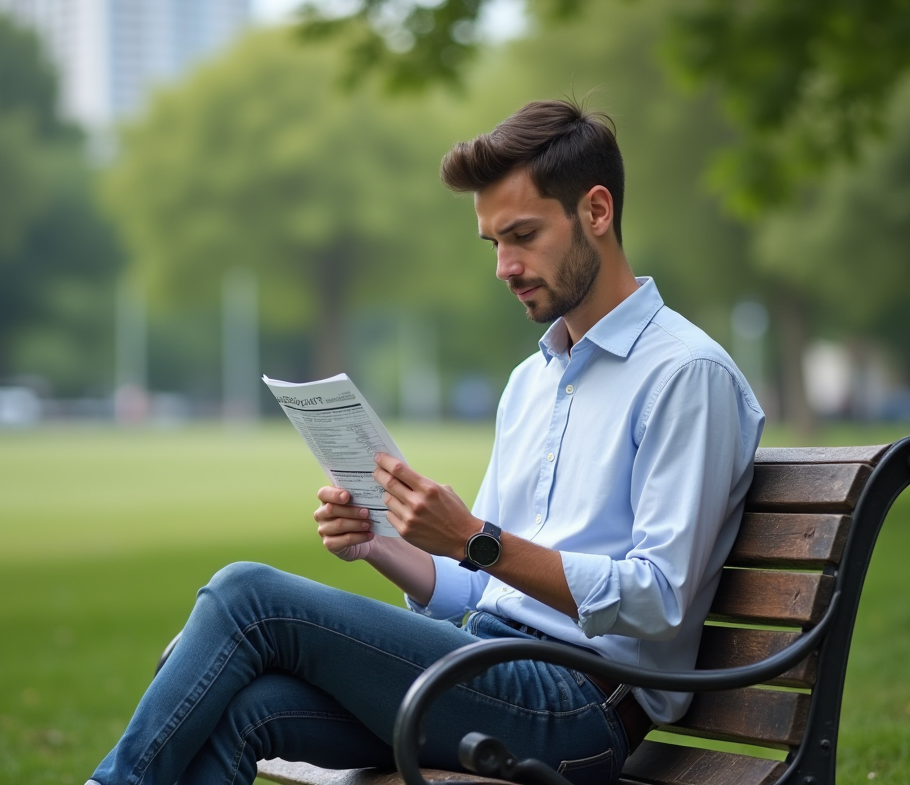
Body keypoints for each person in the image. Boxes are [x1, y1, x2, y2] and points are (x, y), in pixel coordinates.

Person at [86, 99, 764, 785]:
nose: (505, 266)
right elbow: (480, 585)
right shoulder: (532, 381)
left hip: (580, 709)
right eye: (494, 243)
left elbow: (659, 598)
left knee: (246, 595)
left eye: (523, 235)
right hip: (482, 667)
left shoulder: (686, 375)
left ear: (596, 211)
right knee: (245, 709)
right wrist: (385, 543)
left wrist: (476, 537)